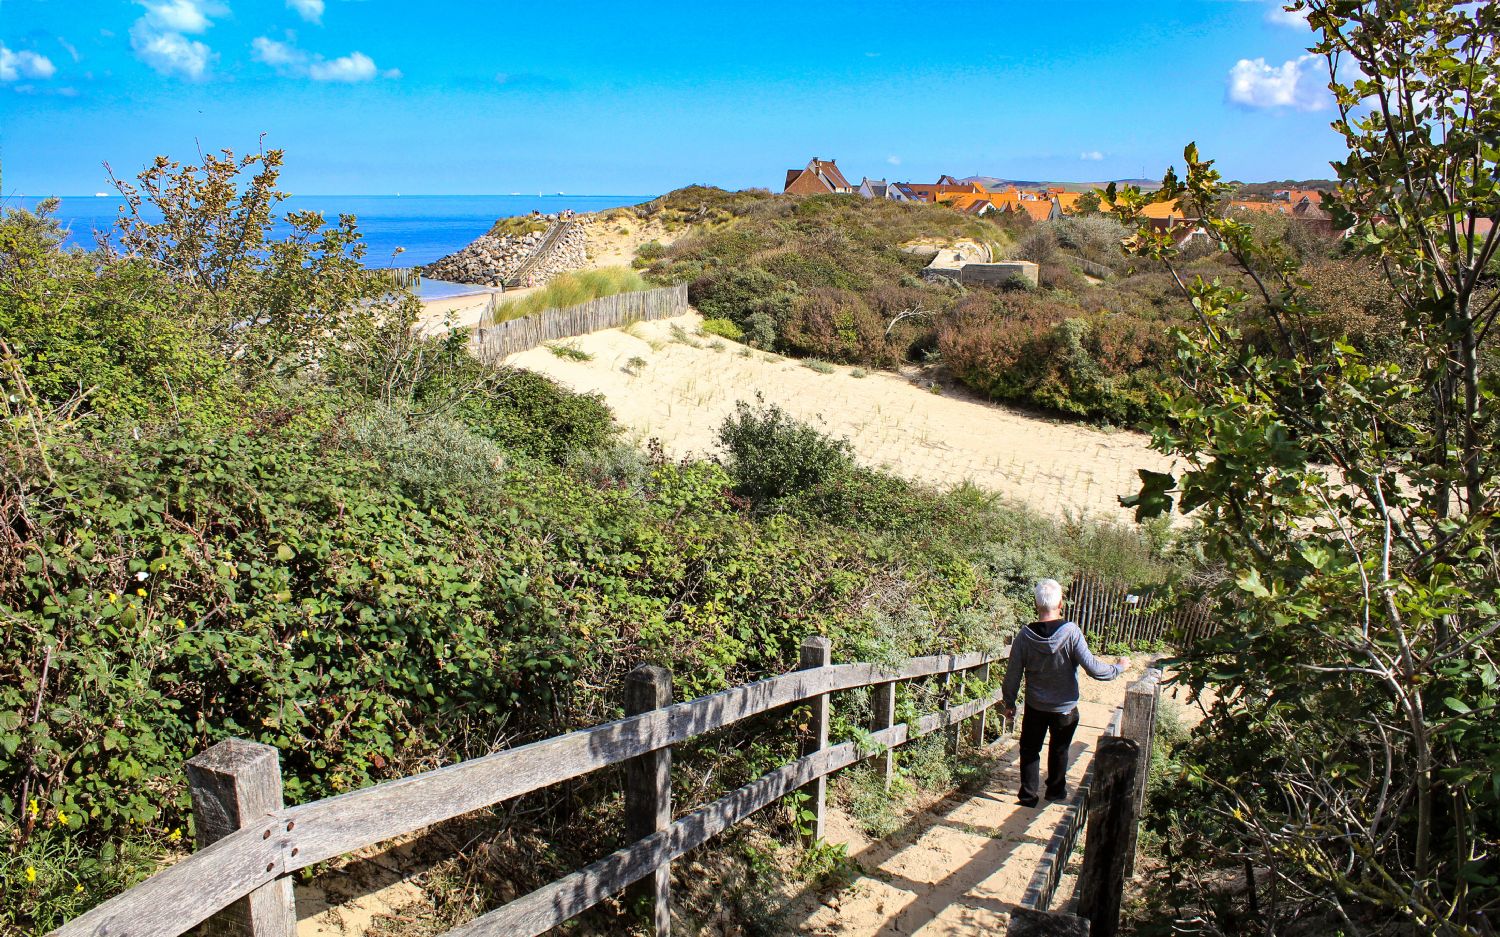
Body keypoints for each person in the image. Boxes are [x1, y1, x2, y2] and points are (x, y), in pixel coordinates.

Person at [1001, 579, 1126, 807]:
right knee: (1060, 749)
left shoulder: (1024, 636)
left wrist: (1009, 702)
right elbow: (1094, 669)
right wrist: (1118, 667)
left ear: (1036, 604)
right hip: (1065, 707)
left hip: (1035, 706)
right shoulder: (1071, 632)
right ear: (1060, 604)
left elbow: (1013, 674)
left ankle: (1028, 796)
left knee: (1030, 749)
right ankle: (1055, 792)